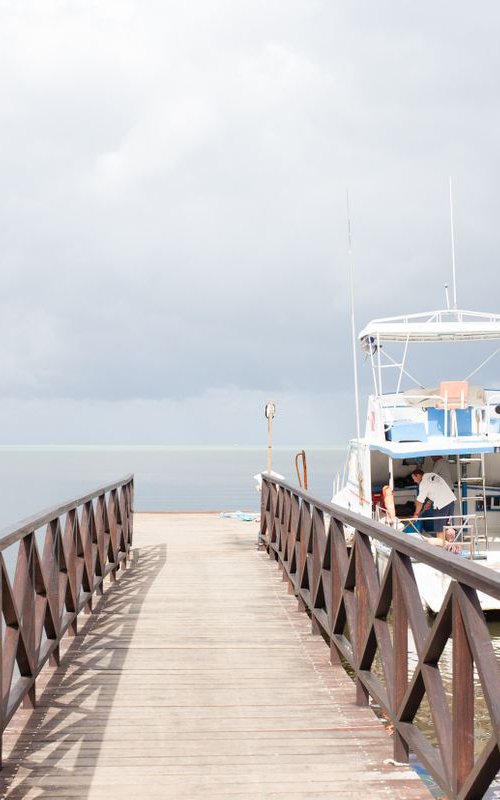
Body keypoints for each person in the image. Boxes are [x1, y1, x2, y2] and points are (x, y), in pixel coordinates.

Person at [411, 467, 456, 536]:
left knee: (440, 529)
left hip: (441, 505)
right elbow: (436, 489)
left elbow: (420, 501)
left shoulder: (423, 483)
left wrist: (416, 514)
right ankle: (451, 545)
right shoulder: (432, 475)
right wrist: (429, 502)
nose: (415, 481)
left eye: (414, 478)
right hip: (450, 501)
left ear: (418, 475)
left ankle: (441, 546)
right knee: (449, 527)